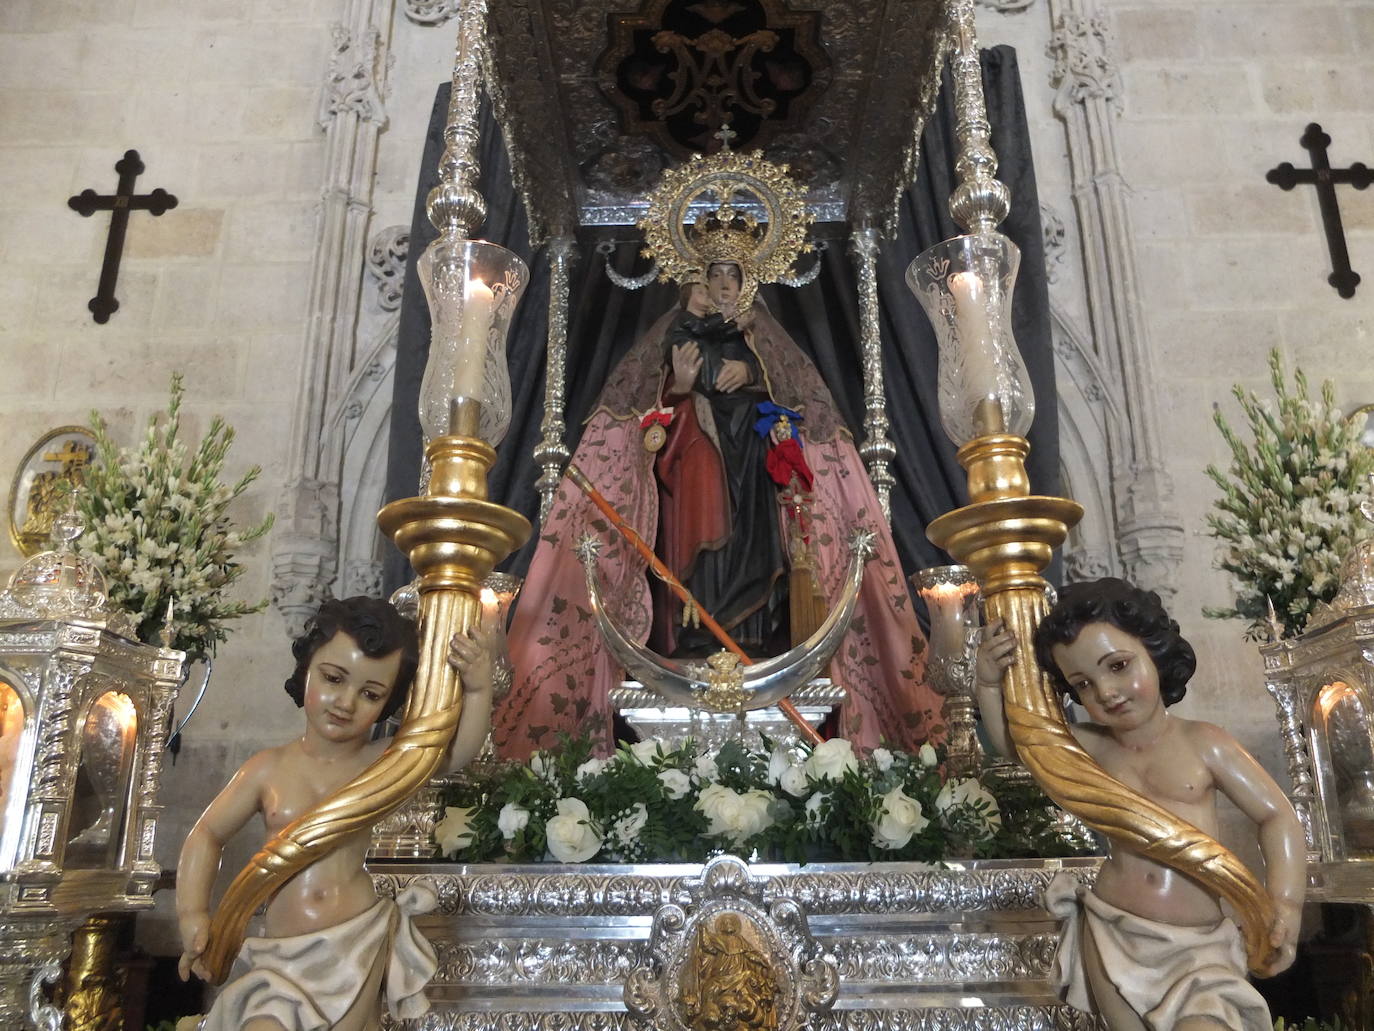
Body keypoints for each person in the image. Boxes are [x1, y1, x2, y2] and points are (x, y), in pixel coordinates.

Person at [499, 259, 944, 757]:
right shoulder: (674, 335)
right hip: (692, 466)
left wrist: (752, 370)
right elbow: (646, 424)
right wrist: (684, 388)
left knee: (756, 542)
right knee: (697, 511)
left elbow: (793, 395)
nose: (722, 290)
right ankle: (691, 635)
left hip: (752, 467)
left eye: (733, 281)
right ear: (694, 283)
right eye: (713, 280)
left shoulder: (759, 340)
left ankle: (755, 634)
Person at [976, 578, 1305, 1031]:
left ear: (1155, 650)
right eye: (1084, 684)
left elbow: (1276, 814)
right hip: (1113, 929)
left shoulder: (1205, 744)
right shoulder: (1089, 747)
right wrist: (989, 685)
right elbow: (1020, 747)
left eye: (1118, 665)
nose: (1107, 692)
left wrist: (1285, 904)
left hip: (1198, 949)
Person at [176, 596, 497, 1031]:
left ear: (388, 703)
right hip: (281, 952)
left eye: (370, 693)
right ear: (307, 668)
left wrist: (478, 689)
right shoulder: (267, 769)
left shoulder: (385, 762)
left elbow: (455, 752)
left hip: (354, 942)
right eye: (333, 678)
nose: (345, 702)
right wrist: (193, 913)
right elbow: (207, 834)